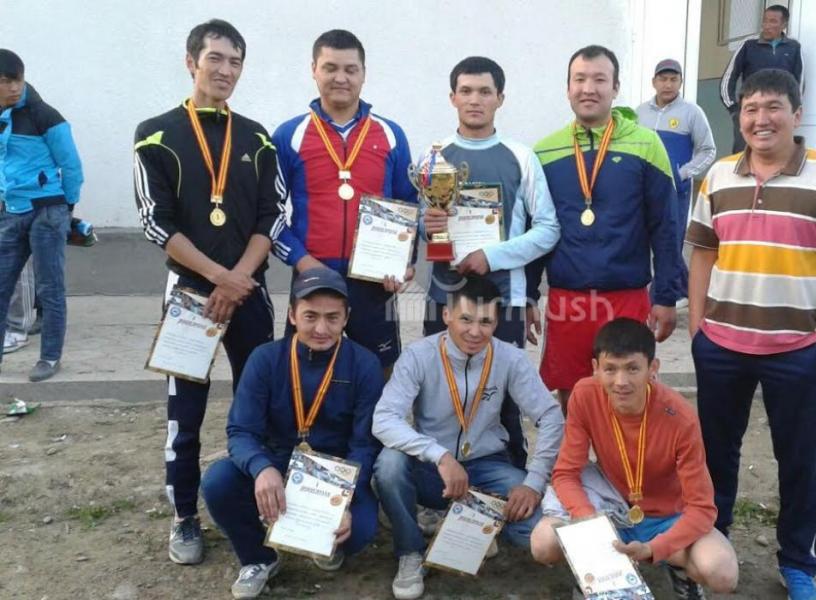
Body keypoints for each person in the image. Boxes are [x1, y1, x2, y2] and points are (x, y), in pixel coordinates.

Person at [687, 69, 816, 600]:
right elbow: (703, 254)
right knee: (715, 457)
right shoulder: (719, 177)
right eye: (750, 108)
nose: (760, 119)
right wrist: (698, 331)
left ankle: (798, 565)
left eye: (772, 107)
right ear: (739, 116)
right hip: (722, 346)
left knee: (799, 459)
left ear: (796, 112)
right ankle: (712, 547)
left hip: (796, 351)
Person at [132, 19, 284, 565]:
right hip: (190, 298)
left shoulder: (257, 137)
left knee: (260, 407)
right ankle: (184, 516)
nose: (225, 70)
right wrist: (220, 277)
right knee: (186, 412)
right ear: (191, 61)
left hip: (249, 293)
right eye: (215, 58)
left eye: (235, 61)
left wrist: (238, 278)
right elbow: (156, 223)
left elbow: (273, 215)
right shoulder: (155, 134)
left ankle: (259, 507)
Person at [372, 276, 564, 600]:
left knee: (535, 530)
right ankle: (410, 551)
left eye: (485, 322)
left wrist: (533, 482)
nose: (475, 332)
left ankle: (473, 524)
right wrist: (440, 456)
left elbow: (551, 416)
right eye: (466, 319)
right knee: (388, 466)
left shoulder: (510, 358)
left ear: (496, 322)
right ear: (447, 315)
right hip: (433, 470)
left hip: (487, 467)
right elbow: (384, 419)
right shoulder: (419, 355)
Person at [201, 267, 383, 599]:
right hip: (278, 461)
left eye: (332, 318)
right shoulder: (265, 359)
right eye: (310, 316)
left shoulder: (365, 364)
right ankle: (259, 557)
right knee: (218, 482)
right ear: (292, 315)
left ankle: (321, 539)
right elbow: (241, 431)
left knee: (360, 531)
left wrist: (345, 499)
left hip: (334, 475)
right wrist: (261, 468)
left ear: (346, 318)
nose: (321, 329)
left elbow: (364, 445)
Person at [531, 318, 738, 599]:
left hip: (666, 515)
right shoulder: (584, 394)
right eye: (610, 369)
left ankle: (677, 567)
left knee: (722, 571)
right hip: (610, 503)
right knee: (543, 543)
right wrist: (589, 521)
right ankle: (593, 572)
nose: (621, 382)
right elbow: (566, 473)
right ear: (595, 368)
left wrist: (655, 549)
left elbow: (702, 509)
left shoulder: (680, 417)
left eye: (632, 368)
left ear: (653, 369)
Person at [421, 55, 560, 469]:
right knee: (440, 395)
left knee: (504, 400)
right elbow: (421, 227)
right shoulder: (434, 157)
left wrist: (491, 255)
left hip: (504, 299)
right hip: (444, 297)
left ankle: (513, 480)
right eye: (466, 91)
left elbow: (548, 228)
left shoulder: (521, 156)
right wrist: (429, 228)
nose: (475, 100)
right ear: (452, 97)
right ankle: (437, 483)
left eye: (485, 91)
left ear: (500, 98)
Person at [532, 44, 682, 412]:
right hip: (567, 300)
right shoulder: (544, 151)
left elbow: (666, 226)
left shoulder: (647, 144)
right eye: (579, 79)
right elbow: (537, 229)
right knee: (573, 398)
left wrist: (665, 296)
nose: (588, 88)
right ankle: (577, 453)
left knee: (627, 397)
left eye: (599, 79)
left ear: (615, 88)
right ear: (568, 88)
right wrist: (528, 295)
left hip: (626, 297)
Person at [271, 29, 417, 376]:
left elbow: (408, 204)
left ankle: (374, 416)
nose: (341, 78)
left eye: (351, 69)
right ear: (314, 70)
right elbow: (270, 214)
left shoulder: (391, 134)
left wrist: (404, 261)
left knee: (380, 370)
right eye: (330, 67)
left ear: (363, 74)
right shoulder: (289, 135)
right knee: (303, 368)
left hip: (374, 279)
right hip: (311, 274)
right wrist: (303, 261)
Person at [0, 49, 83, 381]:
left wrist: (67, 208)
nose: (13, 87)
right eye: (5, 81)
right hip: (11, 212)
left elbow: (71, 165)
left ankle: (49, 358)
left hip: (48, 211)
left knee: (50, 289)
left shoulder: (44, 115)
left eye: (17, 80)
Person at [637, 58, 716, 307]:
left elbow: (708, 150)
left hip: (675, 192)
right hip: (644, 189)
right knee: (646, 239)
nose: (668, 84)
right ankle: (687, 289)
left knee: (670, 242)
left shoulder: (692, 113)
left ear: (681, 82)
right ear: (654, 82)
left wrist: (683, 173)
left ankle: (663, 298)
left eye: (673, 79)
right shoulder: (640, 113)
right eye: (663, 79)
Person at [720, 5, 804, 153]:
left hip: (779, 111)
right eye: (765, 20)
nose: (767, 25)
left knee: (777, 152)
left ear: (784, 25)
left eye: (773, 21)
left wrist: (793, 109)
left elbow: (799, 82)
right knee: (742, 153)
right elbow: (728, 77)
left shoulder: (793, 47)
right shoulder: (748, 45)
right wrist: (734, 109)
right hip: (750, 110)